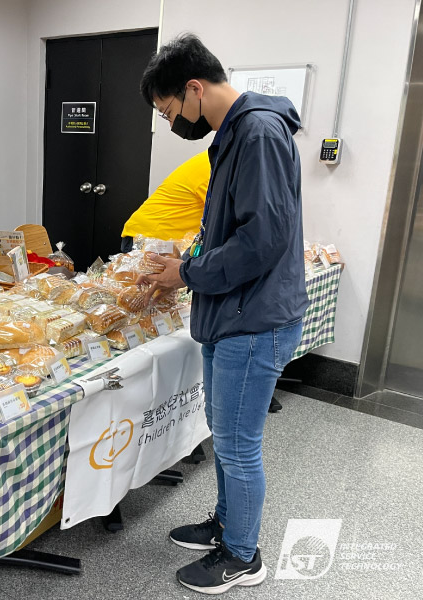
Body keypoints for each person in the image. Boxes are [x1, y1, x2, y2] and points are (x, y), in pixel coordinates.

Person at [138, 34, 308, 595]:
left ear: (194, 89)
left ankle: (242, 555)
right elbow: (228, 228)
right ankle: (227, 525)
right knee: (226, 433)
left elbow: (262, 240)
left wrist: (188, 273)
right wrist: (187, 260)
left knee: (238, 444)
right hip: (232, 311)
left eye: (168, 111)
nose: (171, 124)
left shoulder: (257, 133)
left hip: (253, 319)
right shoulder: (234, 134)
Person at [120, 151, 210, 252]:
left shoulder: (210, 161)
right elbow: (220, 216)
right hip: (152, 239)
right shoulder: (211, 167)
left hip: (163, 240)